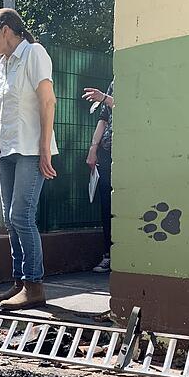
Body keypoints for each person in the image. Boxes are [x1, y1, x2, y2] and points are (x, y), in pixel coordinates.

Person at [0, 8, 58, 310]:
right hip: (5, 152)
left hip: (31, 150)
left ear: (5, 29)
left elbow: (48, 101)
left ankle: (34, 285)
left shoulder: (34, 53)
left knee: (22, 216)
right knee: (10, 220)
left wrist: (45, 147)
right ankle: (19, 283)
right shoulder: (1, 66)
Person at [83, 82, 114, 273]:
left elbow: (137, 110)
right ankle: (108, 255)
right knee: (107, 205)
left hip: (132, 153)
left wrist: (105, 98)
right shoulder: (114, 82)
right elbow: (103, 119)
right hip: (107, 153)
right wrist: (93, 148)